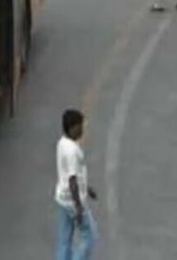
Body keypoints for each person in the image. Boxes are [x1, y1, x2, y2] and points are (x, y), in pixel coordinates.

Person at [55, 109, 97, 260]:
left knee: (64, 239)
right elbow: (73, 180)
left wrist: (87, 187)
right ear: (72, 128)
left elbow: (70, 174)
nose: (82, 130)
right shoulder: (72, 151)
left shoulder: (62, 143)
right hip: (73, 202)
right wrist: (79, 208)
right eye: (80, 126)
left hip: (62, 199)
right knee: (90, 236)